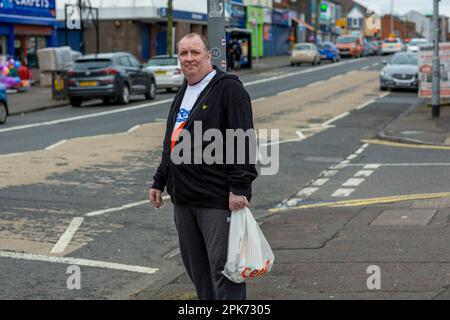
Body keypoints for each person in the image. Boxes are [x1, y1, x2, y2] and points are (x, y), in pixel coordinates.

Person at [148, 33, 257, 300]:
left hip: (216, 199)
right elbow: (172, 141)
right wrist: (159, 180)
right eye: (183, 53)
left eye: (195, 52)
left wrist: (240, 188)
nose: (189, 59)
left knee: (225, 271)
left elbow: (243, 140)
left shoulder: (229, 89)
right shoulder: (183, 91)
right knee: (197, 270)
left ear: (209, 56)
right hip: (183, 199)